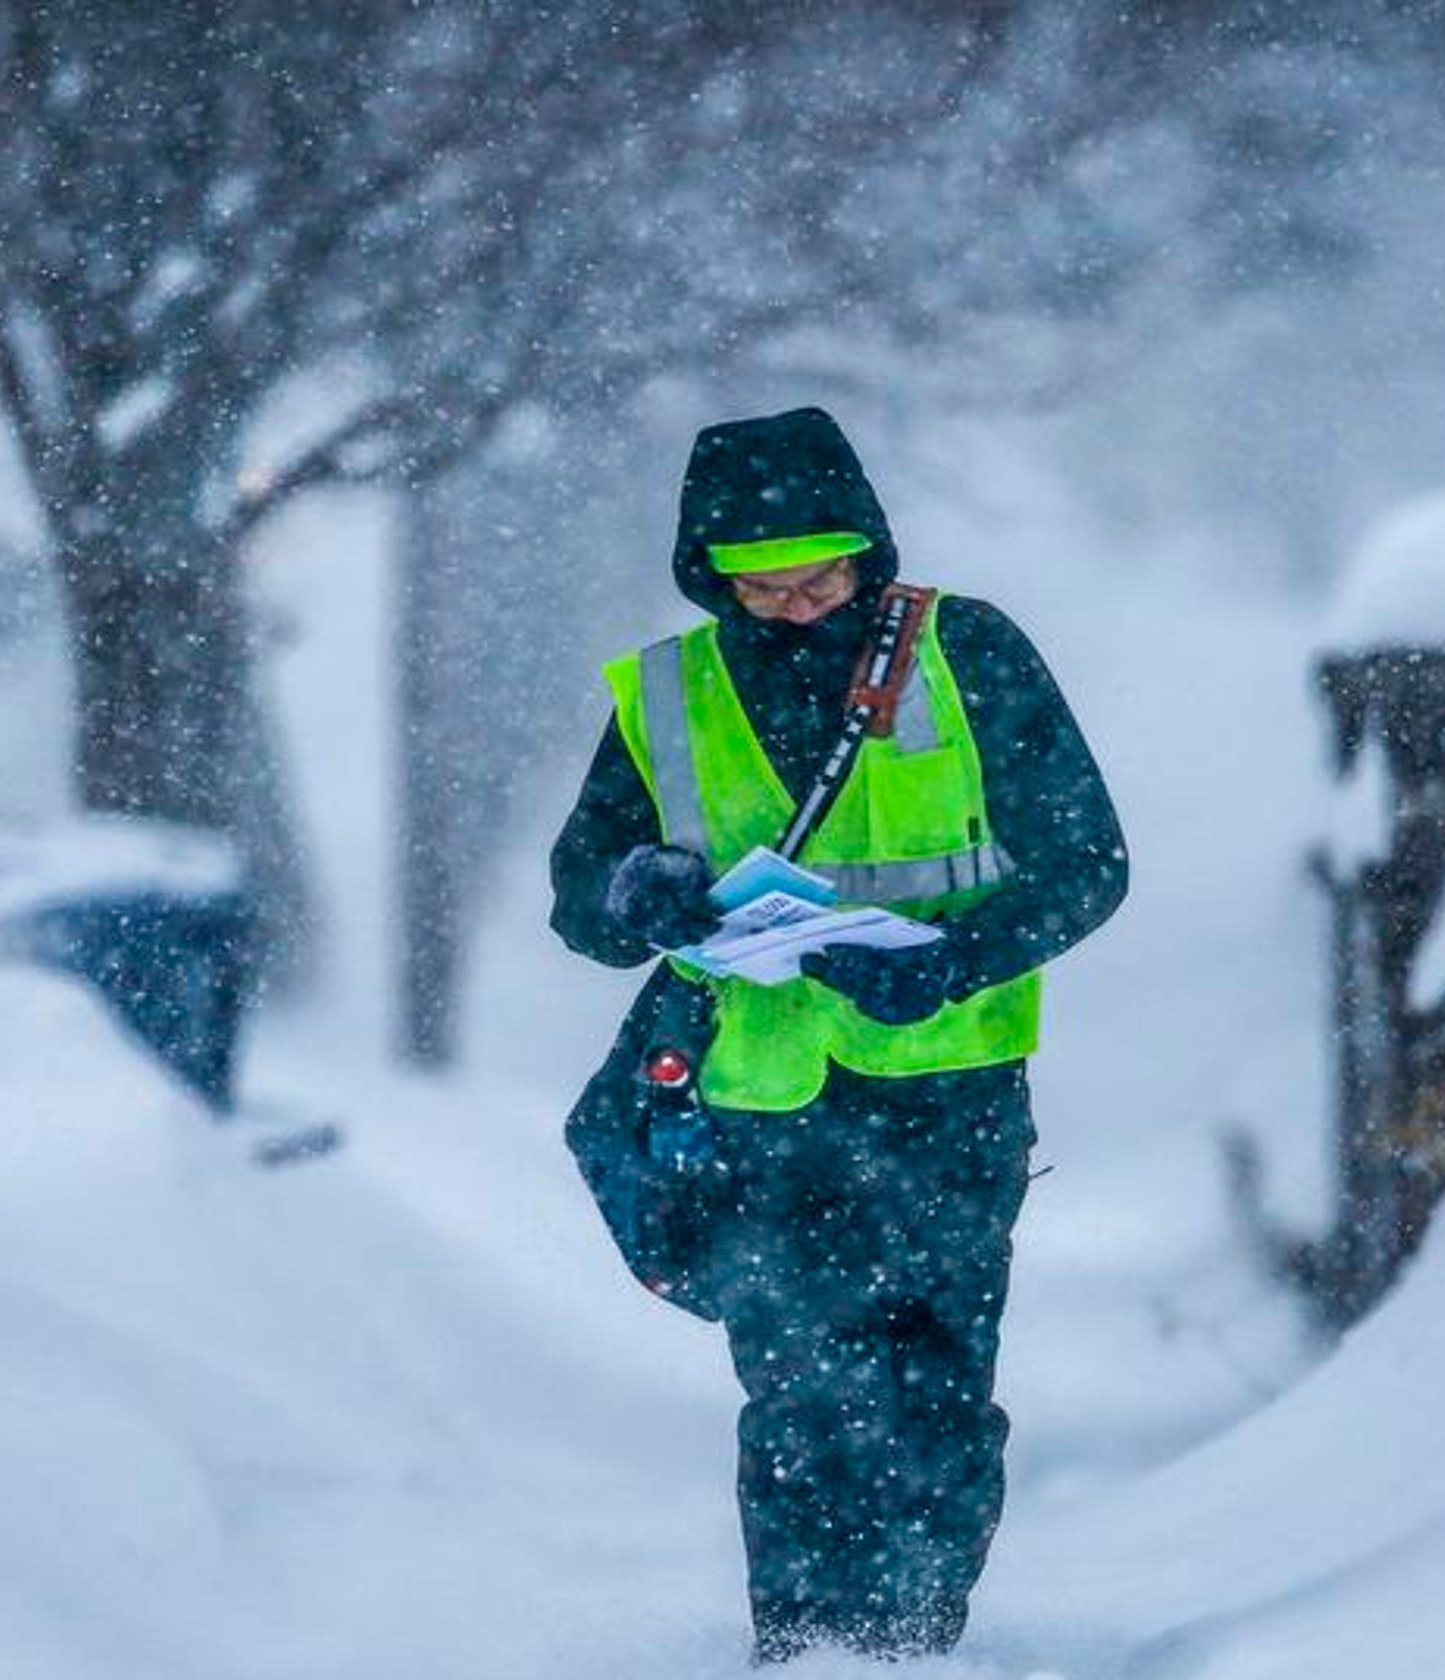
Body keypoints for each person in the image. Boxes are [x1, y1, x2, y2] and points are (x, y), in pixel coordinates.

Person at [549, 406, 1127, 1663]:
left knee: (931, 1395)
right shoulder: (666, 689)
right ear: (710, 575)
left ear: (870, 548)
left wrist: (953, 963)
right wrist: (632, 890)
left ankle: (912, 1641)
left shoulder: (967, 652)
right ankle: (805, 1649)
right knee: (802, 1395)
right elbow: (579, 898)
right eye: (766, 584)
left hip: (946, 1094)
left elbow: (1087, 862)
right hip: (761, 1106)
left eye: (825, 574)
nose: (802, 604)